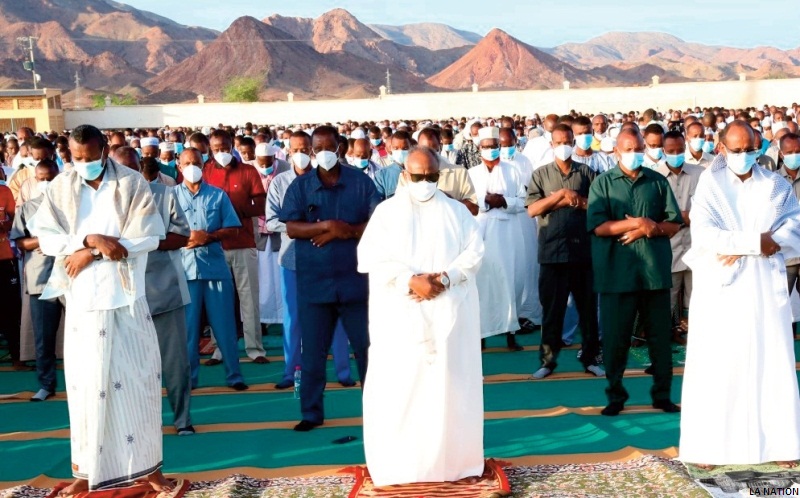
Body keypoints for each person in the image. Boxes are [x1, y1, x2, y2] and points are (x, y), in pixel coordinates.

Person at [31, 124, 173, 494]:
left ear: (105, 151)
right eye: (77, 157)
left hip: (126, 298)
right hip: (83, 301)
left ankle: (150, 468)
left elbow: (149, 236)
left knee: (139, 382)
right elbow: (45, 237)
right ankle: (86, 470)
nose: (84, 163)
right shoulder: (61, 186)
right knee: (85, 387)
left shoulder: (130, 183)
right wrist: (89, 239)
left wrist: (91, 252)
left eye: (91, 157)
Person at [358, 147, 485, 486]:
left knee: (450, 389)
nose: (425, 182)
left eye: (432, 176)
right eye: (418, 177)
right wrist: (409, 280)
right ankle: (400, 466)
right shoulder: (386, 213)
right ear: (404, 175)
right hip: (401, 318)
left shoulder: (457, 212)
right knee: (401, 388)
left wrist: (446, 278)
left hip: (449, 314)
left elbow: (475, 252)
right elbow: (370, 257)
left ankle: (452, 465)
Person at [680, 121, 800, 469]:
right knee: (718, 364)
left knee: (772, 361)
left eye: (751, 149)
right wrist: (755, 242)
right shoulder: (710, 185)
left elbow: (793, 228)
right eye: (737, 150)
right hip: (721, 289)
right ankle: (708, 449)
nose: (745, 155)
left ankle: (780, 444)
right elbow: (706, 235)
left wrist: (745, 245)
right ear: (722, 149)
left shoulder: (775, 185)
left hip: (765, 285)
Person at [280, 125, 380, 431]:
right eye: (317, 148)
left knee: (368, 351)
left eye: (329, 147)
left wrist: (345, 231)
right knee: (312, 354)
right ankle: (311, 413)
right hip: (314, 284)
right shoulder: (301, 187)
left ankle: (377, 411)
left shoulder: (361, 183)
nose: (323, 153)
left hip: (355, 282)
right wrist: (326, 227)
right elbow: (292, 228)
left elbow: (378, 223)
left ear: (341, 147)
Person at [586, 128, 683, 416]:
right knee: (616, 340)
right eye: (628, 149)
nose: (635, 154)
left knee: (660, 339)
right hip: (616, 276)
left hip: (653, 274)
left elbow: (673, 223)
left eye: (639, 149)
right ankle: (615, 396)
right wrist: (637, 223)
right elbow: (599, 227)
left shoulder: (657, 181)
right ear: (616, 151)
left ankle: (662, 395)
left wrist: (651, 228)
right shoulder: (603, 184)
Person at [113, 146, 195, 435]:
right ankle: (138, 425)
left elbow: (182, 236)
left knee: (175, 363)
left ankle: (182, 420)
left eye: (132, 168)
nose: (127, 174)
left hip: (165, 291)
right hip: (121, 295)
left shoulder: (164, 194)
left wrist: (142, 244)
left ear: (141, 168)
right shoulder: (103, 202)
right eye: (121, 169)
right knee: (129, 366)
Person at [266, 131, 355, 390]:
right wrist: (307, 228)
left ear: (313, 151)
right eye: (296, 150)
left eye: (306, 149)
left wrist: (321, 229)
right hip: (292, 259)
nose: (301, 154)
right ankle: (291, 371)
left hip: (327, 258)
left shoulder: (329, 179)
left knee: (336, 315)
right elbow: (271, 221)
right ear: (288, 151)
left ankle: (343, 371)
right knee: (293, 317)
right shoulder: (279, 183)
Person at [527, 124, 603, 379]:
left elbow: (599, 207)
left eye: (567, 142)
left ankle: (591, 359)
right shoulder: (541, 174)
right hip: (552, 254)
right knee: (552, 312)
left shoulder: (587, 173)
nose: (563, 147)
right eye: (558, 142)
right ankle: (547, 362)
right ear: (551, 144)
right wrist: (560, 195)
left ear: (574, 142)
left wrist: (577, 201)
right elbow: (532, 209)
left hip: (583, 254)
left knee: (588, 311)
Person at [175, 148, 248, 392]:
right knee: (188, 329)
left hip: (215, 269)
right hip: (185, 271)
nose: (192, 167)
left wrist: (209, 236)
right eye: (187, 163)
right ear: (179, 166)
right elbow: (163, 232)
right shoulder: (171, 197)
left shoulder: (218, 195)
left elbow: (233, 228)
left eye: (196, 163)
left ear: (204, 165)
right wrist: (187, 238)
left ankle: (234, 375)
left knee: (225, 325)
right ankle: (189, 379)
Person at [203, 130, 269, 364]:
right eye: (216, 149)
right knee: (218, 301)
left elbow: (261, 204)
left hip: (243, 243)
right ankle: (220, 349)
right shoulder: (206, 172)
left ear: (232, 146)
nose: (221, 152)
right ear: (210, 149)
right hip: (215, 246)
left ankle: (255, 349)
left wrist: (236, 210)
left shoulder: (248, 171)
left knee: (249, 298)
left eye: (224, 147)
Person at [468, 126, 526, 350]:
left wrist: (504, 202)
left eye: (494, 146)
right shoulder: (472, 173)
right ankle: (481, 336)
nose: (490, 150)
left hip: (509, 233)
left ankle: (511, 334)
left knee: (510, 282)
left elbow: (523, 201)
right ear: (479, 148)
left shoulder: (513, 171)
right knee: (483, 284)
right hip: (482, 231)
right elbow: (468, 202)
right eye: (486, 146)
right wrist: (485, 201)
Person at [10, 160, 64, 398]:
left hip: (72, 276)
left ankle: (86, 384)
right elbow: (19, 241)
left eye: (50, 178)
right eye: (42, 179)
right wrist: (42, 241)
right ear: (35, 180)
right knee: (44, 337)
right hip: (40, 279)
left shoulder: (73, 206)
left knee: (82, 335)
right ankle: (46, 384)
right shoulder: (27, 208)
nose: (46, 183)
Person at [656, 131, 704, 343]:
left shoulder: (700, 174)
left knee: (696, 296)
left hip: (696, 247)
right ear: (663, 150)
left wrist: (688, 217)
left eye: (679, 150)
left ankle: (694, 334)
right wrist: (680, 219)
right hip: (669, 248)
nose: (675, 154)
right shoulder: (655, 176)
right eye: (671, 151)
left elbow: (709, 210)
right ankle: (668, 333)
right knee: (669, 297)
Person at [397, 128, 478, 215]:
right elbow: (399, 208)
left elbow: (474, 209)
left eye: (433, 150)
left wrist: (446, 200)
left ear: (439, 147)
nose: (429, 155)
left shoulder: (460, 173)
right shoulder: (407, 175)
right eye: (425, 150)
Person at [779, 133, 800, 306]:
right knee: (781, 301)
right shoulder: (773, 181)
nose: (795, 155)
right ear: (781, 154)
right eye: (790, 152)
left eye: (798, 151)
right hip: (786, 254)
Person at [373, 131, 412, 200]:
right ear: (391, 149)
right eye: (396, 148)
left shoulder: (422, 172)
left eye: (405, 148)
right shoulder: (382, 176)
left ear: (411, 147)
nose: (400, 152)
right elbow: (377, 202)